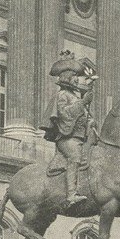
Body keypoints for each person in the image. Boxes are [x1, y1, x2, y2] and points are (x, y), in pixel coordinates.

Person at [40, 51, 95, 207]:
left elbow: (83, 118)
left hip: (79, 137)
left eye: (77, 76)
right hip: (67, 139)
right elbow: (65, 115)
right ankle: (71, 195)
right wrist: (83, 103)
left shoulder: (75, 96)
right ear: (67, 78)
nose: (77, 79)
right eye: (74, 76)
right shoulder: (63, 95)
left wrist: (91, 121)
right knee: (75, 158)